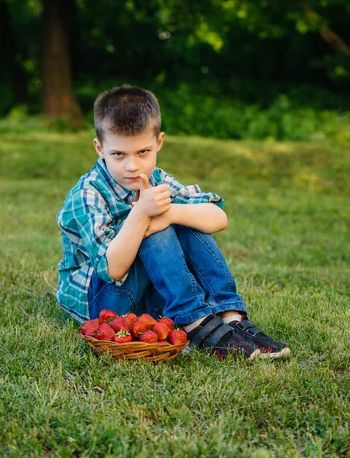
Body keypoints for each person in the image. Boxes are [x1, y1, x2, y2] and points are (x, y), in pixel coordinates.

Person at [55, 85, 290, 360]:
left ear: (159, 143)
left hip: (146, 293)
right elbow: (113, 270)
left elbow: (218, 216)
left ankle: (230, 315)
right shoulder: (87, 194)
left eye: (143, 152)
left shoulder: (158, 178)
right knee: (152, 223)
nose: (132, 166)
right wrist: (142, 214)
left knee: (180, 216)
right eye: (119, 154)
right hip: (103, 303)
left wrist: (168, 214)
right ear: (100, 148)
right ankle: (193, 322)